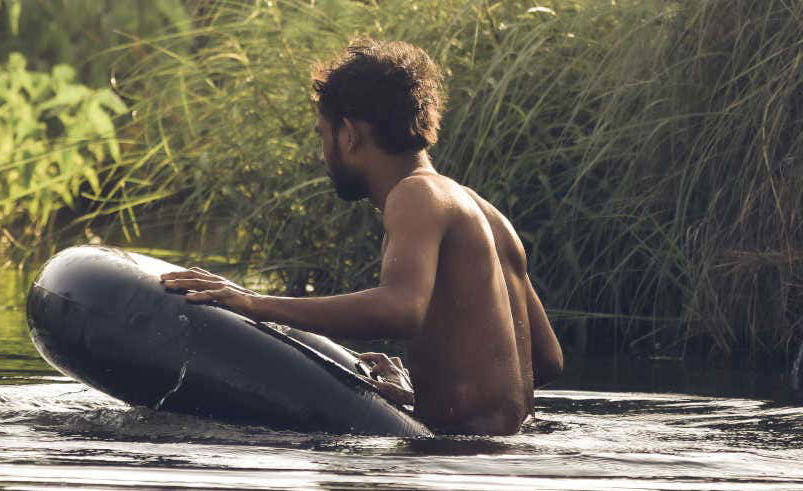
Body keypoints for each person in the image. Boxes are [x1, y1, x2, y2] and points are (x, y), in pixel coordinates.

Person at [161, 38, 563, 435]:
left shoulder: (415, 194)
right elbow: (546, 360)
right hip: (502, 458)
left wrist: (253, 302)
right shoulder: (485, 212)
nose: (323, 153)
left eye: (323, 134)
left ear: (349, 134)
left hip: (455, 464)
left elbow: (401, 309)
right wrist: (425, 391)